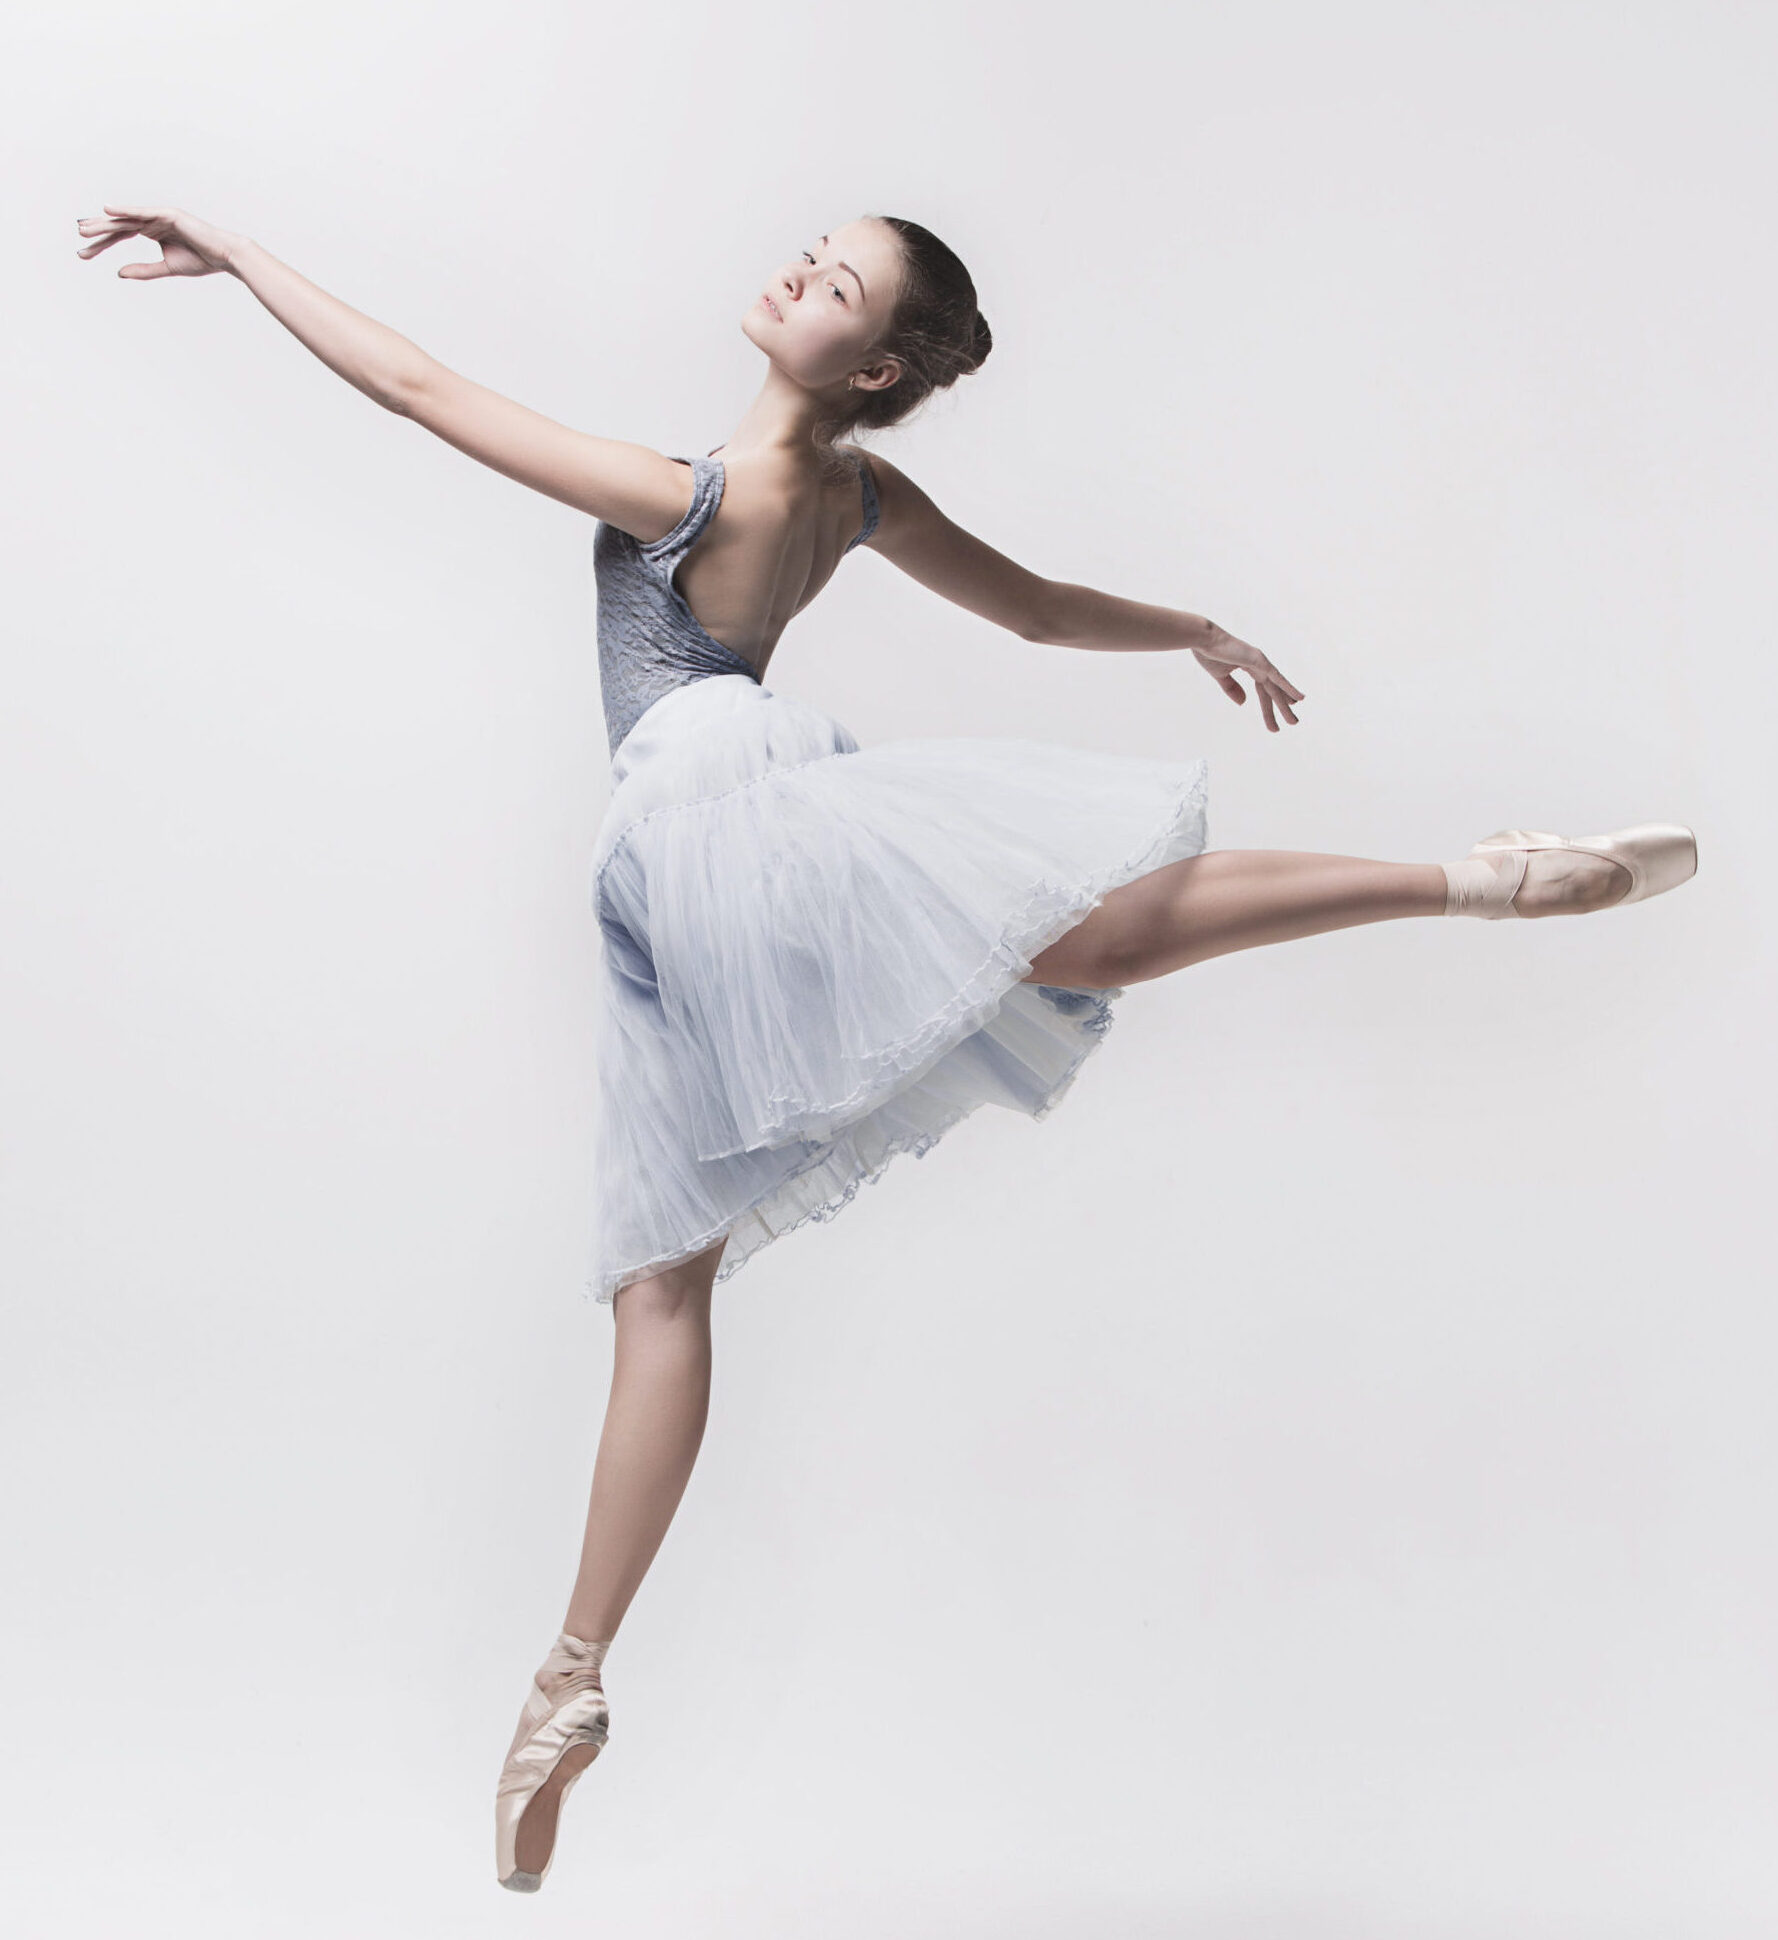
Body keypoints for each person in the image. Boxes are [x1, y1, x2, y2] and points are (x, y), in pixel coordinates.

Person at [74, 202, 1698, 1892]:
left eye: (832, 284)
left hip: (696, 820)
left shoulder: (691, 490)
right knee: (978, 1013)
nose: (793, 270)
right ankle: (1475, 876)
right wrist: (1197, 628)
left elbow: (416, 386)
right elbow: (1046, 610)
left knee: (690, 1265)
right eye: (808, 249)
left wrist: (246, 255)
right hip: (725, 828)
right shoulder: (858, 501)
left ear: (872, 363)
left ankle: (571, 1673)